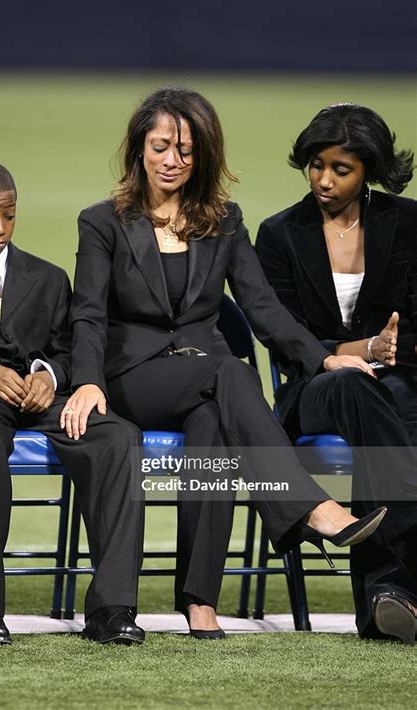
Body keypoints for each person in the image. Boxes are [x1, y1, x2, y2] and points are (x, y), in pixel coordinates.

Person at [62, 87, 386, 640]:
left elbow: (263, 308)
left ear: (203, 155)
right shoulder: (103, 222)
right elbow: (88, 313)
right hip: (132, 377)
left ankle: (199, 599)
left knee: (214, 425)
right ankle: (310, 507)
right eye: (161, 146)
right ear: (140, 147)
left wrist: (324, 358)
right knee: (229, 371)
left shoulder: (225, 221)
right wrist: (88, 381)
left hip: (203, 384)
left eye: (186, 150)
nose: (172, 161)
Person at [0, 161, 145, 646]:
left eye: (8, 216)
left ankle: (112, 609)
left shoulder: (48, 277)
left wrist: (46, 374)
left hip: (40, 398)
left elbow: (69, 351)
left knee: (118, 436)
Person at [255, 103, 417, 645]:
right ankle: (410, 546)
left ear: (368, 170)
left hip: (396, 379)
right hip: (313, 387)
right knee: (354, 383)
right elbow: (281, 334)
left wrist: (389, 349)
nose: (324, 180)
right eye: (316, 165)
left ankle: (386, 600)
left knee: (393, 398)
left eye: (340, 169)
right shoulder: (279, 233)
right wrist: (358, 348)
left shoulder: (408, 223)